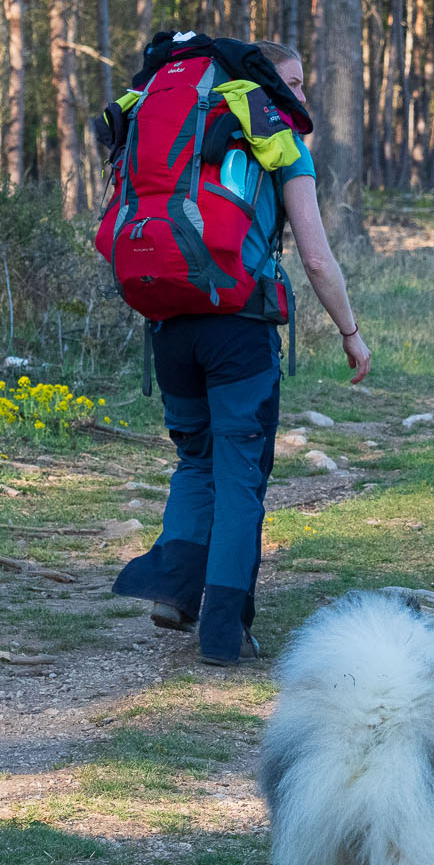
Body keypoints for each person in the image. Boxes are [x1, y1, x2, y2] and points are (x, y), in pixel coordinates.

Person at [112, 40, 371, 666]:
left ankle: (176, 592)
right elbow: (314, 255)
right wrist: (349, 330)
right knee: (239, 477)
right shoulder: (274, 131)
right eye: (295, 80)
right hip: (240, 327)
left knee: (195, 460)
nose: (302, 94)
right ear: (263, 78)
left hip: (170, 324)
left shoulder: (180, 122)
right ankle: (225, 631)